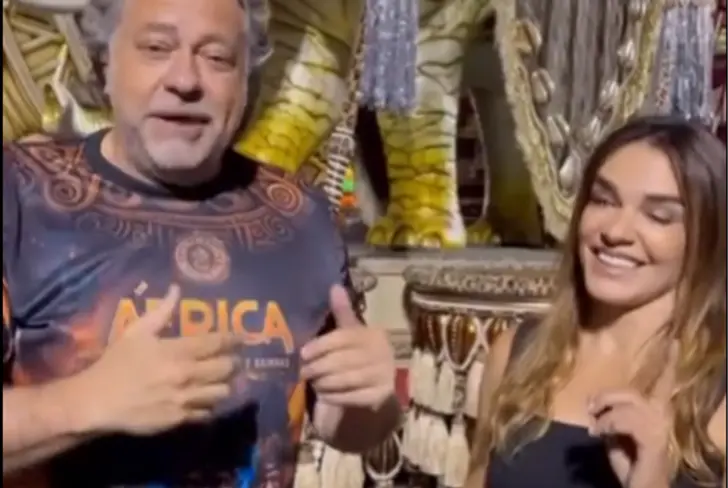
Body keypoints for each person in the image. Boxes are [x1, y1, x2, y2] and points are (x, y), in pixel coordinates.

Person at [1, 0, 400, 486]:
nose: (185, 80)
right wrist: (85, 403)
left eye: (217, 57)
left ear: (246, 80)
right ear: (106, 63)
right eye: (156, 48)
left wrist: (369, 400)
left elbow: (344, 424)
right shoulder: (18, 194)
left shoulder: (301, 215)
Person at [465, 115, 726, 488]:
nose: (615, 231)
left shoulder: (716, 388)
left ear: (708, 238)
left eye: (658, 216)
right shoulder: (517, 354)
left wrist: (651, 477)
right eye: (603, 200)